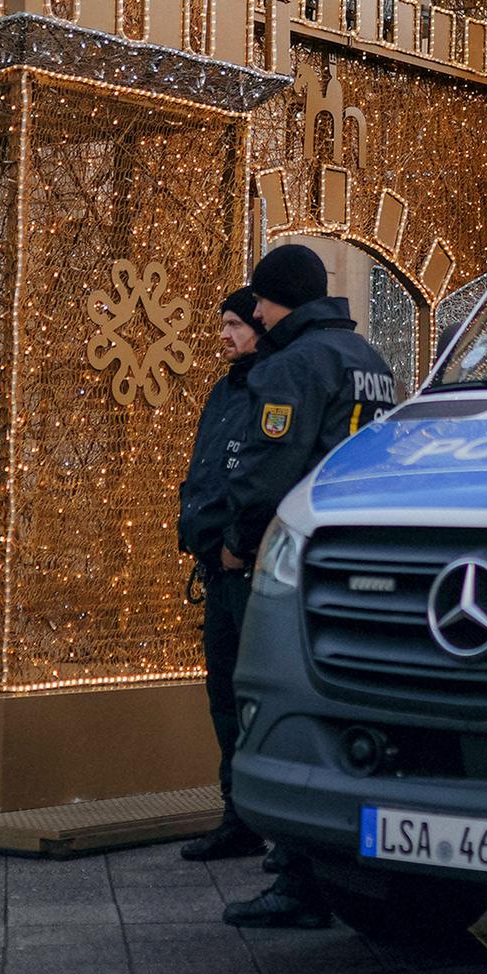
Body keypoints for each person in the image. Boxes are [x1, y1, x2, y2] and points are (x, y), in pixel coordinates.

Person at [217, 243, 402, 930]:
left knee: (285, 710)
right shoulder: (370, 361)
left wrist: (237, 541)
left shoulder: (292, 365)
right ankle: (344, 859)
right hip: (369, 562)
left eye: (260, 301)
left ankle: (298, 879)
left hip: (300, 564)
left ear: (281, 299)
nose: (255, 313)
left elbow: (267, 471)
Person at [174, 290, 269, 862]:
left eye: (235, 324)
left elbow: (261, 474)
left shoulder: (270, 386)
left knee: (250, 695)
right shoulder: (226, 389)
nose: (224, 335)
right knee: (223, 694)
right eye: (222, 325)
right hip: (218, 569)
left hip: (248, 569)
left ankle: (265, 814)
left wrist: (237, 544)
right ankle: (238, 815)